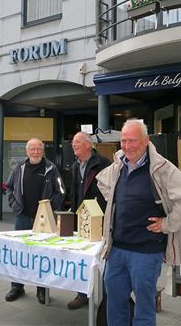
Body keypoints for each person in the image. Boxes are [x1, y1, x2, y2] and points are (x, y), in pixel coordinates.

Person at [96, 119, 181, 326]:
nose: (127, 146)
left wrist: (167, 223)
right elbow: (103, 182)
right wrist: (115, 202)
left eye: (133, 141)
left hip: (145, 253)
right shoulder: (119, 165)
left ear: (146, 141)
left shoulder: (161, 168)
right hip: (116, 250)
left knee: (144, 309)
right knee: (114, 305)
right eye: (124, 141)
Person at [5, 137, 65, 304]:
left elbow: (60, 190)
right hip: (22, 217)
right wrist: (14, 204)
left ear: (43, 150)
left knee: (42, 254)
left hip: (43, 220)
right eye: (32, 149)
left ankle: (41, 289)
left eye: (38, 148)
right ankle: (17, 286)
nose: (35, 152)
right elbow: (9, 187)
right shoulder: (19, 168)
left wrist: (50, 206)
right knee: (18, 252)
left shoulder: (51, 168)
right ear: (27, 151)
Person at [67, 131, 110, 310]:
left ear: (88, 144)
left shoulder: (104, 163)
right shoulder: (76, 165)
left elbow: (110, 192)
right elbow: (74, 191)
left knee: (103, 259)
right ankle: (82, 294)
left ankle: (107, 297)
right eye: (73, 143)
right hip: (81, 218)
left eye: (77, 142)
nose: (73, 145)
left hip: (99, 219)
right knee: (81, 257)